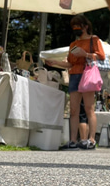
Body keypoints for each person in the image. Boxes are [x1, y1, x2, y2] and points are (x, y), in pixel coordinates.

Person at [61, 14, 105, 150]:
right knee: (74, 110)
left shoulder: (94, 40)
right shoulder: (73, 44)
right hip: (74, 75)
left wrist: (85, 54)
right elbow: (70, 64)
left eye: (78, 26)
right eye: (73, 26)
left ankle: (91, 139)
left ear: (85, 26)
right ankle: (73, 140)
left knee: (88, 108)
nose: (75, 29)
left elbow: (101, 57)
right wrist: (56, 63)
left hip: (88, 74)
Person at [45, 57, 88, 145]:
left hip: (82, 79)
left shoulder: (81, 55)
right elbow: (70, 65)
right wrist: (57, 62)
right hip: (83, 79)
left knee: (81, 112)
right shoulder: (78, 55)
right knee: (81, 112)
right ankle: (81, 140)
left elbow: (70, 65)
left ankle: (82, 139)